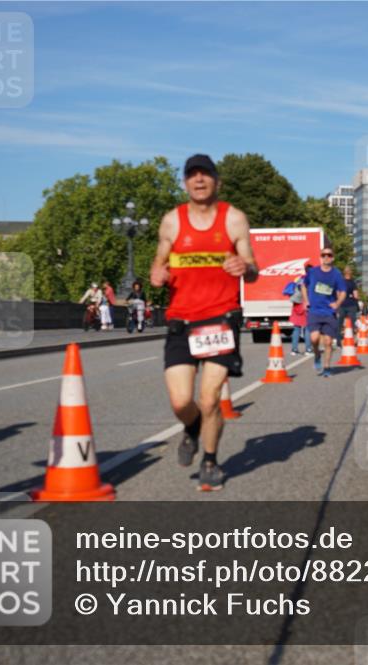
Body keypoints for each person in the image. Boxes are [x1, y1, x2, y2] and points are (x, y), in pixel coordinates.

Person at [150, 153, 257, 491]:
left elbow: (252, 267)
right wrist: (157, 271)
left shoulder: (234, 219)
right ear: (185, 182)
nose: (199, 181)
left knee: (210, 398)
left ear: (216, 181)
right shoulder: (172, 221)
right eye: (192, 175)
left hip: (220, 319)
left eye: (205, 175)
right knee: (182, 402)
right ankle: (192, 427)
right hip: (181, 321)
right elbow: (159, 259)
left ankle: (210, 459)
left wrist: (244, 267)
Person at [302, 246, 346, 377]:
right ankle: (316, 355)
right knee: (314, 338)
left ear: (332, 258)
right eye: (323, 255)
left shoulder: (336, 274)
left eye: (329, 255)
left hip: (329, 312)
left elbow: (343, 292)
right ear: (320, 257)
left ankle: (327, 367)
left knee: (327, 342)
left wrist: (337, 303)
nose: (326, 257)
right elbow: (304, 286)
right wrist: (306, 300)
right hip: (314, 311)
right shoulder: (313, 272)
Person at [288, 270, 311, 356]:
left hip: (296, 305)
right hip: (305, 305)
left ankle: (294, 349)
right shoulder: (309, 280)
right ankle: (308, 349)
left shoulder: (298, 279)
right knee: (308, 328)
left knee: (296, 328)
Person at [338, 265, 361, 332]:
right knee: (353, 321)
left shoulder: (341, 282)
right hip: (351, 304)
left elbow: (338, 293)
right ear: (350, 273)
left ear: (344, 273)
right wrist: (355, 297)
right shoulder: (353, 283)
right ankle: (353, 337)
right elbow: (356, 295)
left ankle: (339, 337)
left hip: (342, 304)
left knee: (340, 322)